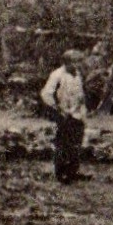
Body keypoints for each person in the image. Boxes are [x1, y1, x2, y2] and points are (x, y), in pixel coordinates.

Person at [40, 49, 91, 183]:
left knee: (76, 143)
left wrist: (82, 109)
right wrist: (57, 109)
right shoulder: (57, 75)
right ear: (67, 62)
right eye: (76, 62)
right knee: (63, 143)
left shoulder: (78, 74)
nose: (79, 65)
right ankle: (61, 173)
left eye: (80, 62)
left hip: (77, 113)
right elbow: (46, 94)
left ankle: (73, 171)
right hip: (64, 114)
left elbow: (80, 94)